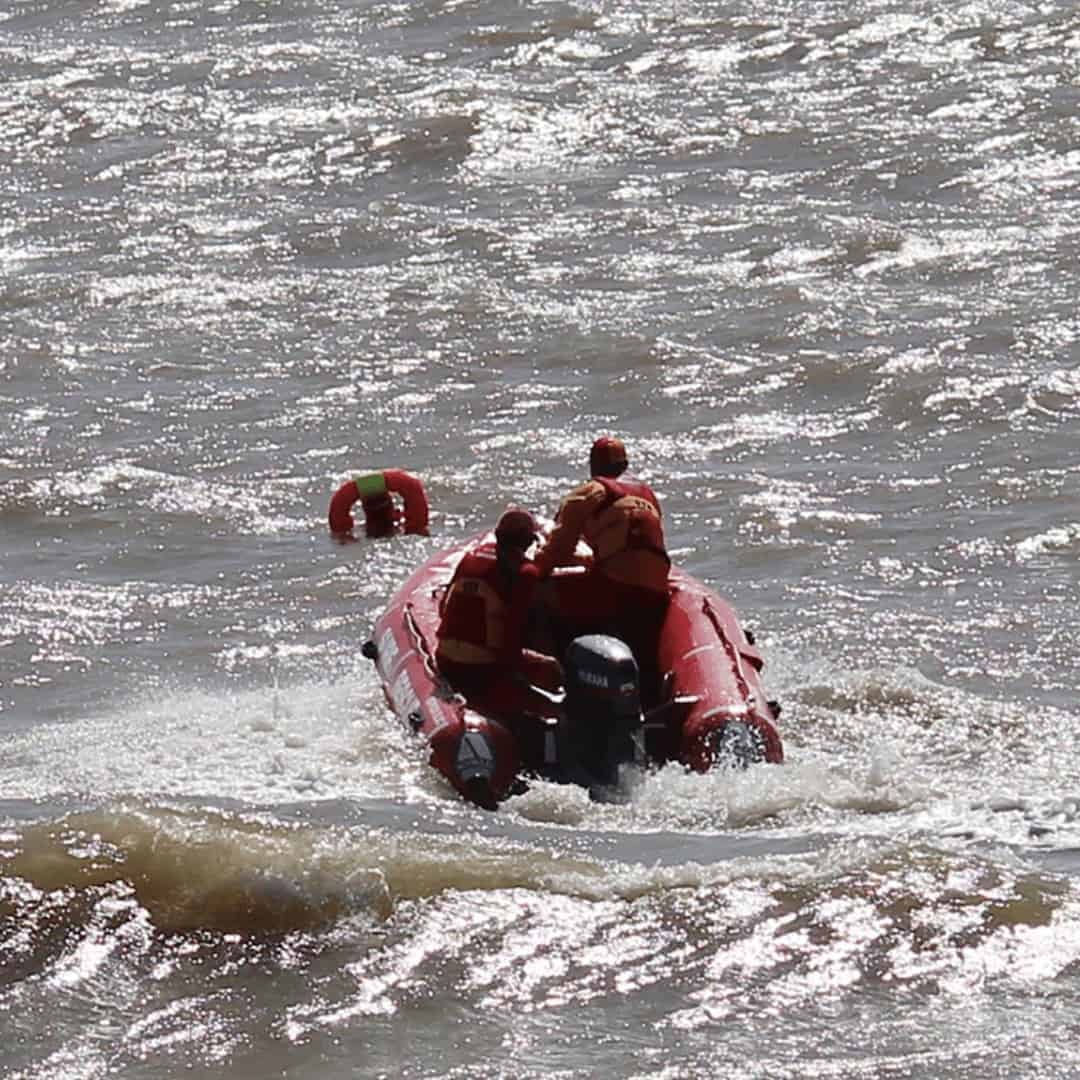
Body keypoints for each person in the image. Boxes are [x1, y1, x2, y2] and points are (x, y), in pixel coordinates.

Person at [533, 437, 670, 689]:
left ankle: (551, 677)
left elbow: (556, 552)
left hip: (613, 590)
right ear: (625, 464)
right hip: (657, 592)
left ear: (592, 466)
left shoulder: (587, 494)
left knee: (537, 594)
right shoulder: (648, 496)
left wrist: (533, 570)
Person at [435, 507, 563, 721]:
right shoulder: (525, 573)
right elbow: (512, 636)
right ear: (528, 542)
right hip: (484, 667)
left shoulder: (469, 559)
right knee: (553, 672)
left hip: (445, 659)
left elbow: (442, 607)